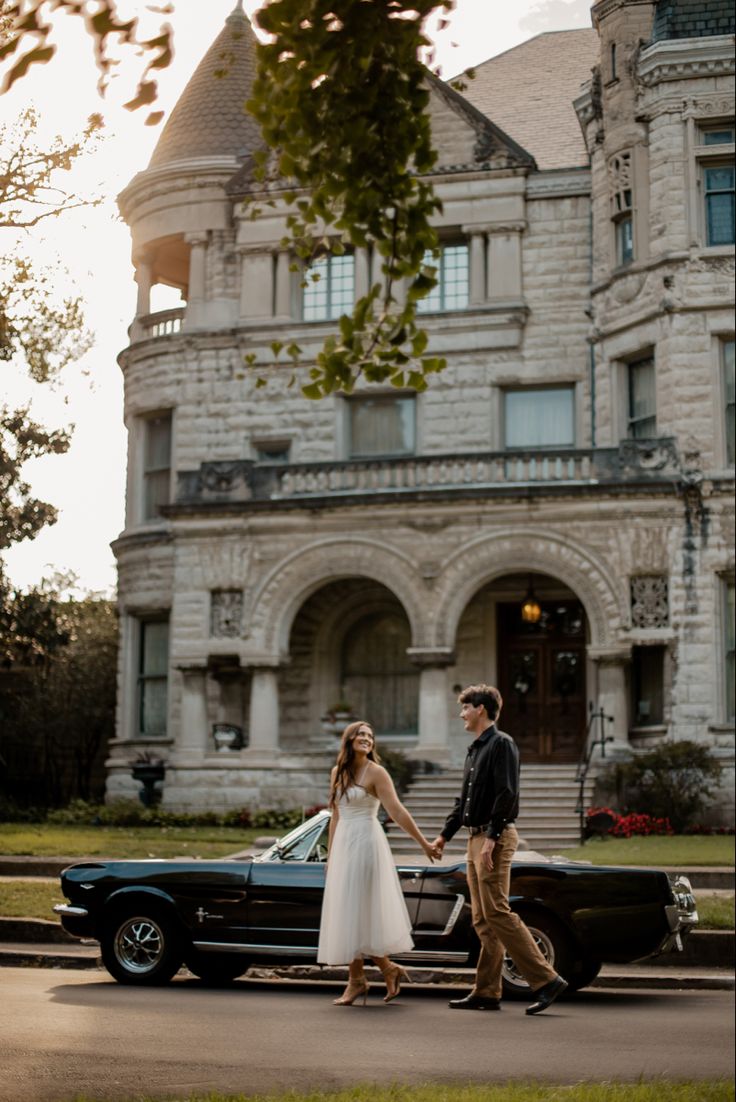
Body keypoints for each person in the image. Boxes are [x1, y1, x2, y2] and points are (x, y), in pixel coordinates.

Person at [431, 684, 568, 1015]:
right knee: (482, 919)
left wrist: (491, 838)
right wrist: (444, 835)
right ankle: (487, 991)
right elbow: (463, 800)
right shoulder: (475, 750)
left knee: (497, 911)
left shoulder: (502, 744)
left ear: (480, 709)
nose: (461, 713)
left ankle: (546, 979)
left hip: (495, 837)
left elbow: (507, 794)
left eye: (465, 708)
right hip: (474, 839)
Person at [317, 720, 437, 1006]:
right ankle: (377, 973)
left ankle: (364, 978)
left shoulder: (377, 772)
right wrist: (331, 855)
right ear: (349, 739)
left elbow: (396, 811)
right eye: (360, 734)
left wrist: (424, 843)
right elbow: (335, 815)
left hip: (367, 844)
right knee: (348, 911)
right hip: (345, 845)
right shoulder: (338, 772)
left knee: (359, 909)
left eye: (370, 736)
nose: (366, 738)